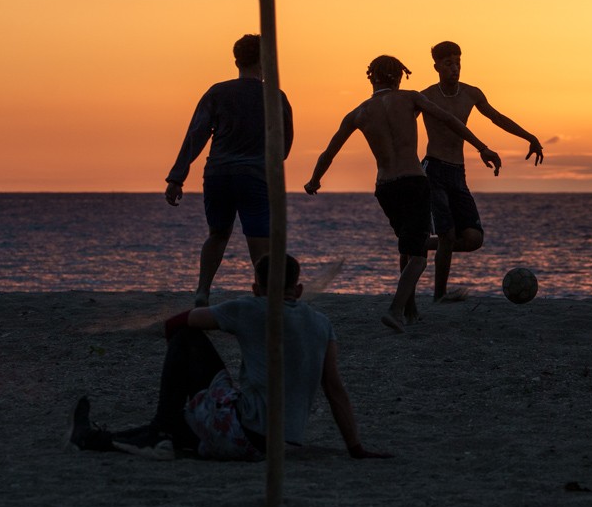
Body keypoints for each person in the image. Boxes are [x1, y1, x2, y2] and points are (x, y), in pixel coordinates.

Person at [68, 254, 389, 462]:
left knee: (186, 338)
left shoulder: (250, 308)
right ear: (299, 289)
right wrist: (355, 448)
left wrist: (185, 374)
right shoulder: (323, 324)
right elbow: (335, 390)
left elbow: (176, 323)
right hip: (281, 443)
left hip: (245, 433)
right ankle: (114, 437)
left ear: (255, 287)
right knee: (184, 428)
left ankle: (154, 430)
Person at [304, 55, 501, 333]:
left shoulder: (358, 113)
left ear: (371, 78)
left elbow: (329, 152)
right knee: (418, 255)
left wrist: (314, 180)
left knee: (406, 244)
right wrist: (482, 147)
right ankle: (395, 310)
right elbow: (449, 120)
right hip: (413, 182)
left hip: (385, 187)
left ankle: (410, 310)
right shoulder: (410, 98)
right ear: (399, 77)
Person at [164, 33, 294, 307]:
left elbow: (195, 135)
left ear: (236, 60)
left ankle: (202, 291)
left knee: (218, 234)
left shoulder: (217, 92)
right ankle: (266, 296)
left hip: (218, 175)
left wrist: (177, 177)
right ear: (265, 60)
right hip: (254, 176)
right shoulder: (275, 96)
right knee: (258, 239)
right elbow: (284, 147)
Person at [418, 41, 543, 301]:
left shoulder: (471, 94)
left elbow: (497, 117)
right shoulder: (426, 96)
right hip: (433, 170)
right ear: (437, 67)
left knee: (473, 239)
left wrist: (529, 136)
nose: (455, 68)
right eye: (449, 63)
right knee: (448, 234)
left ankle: (419, 245)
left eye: (458, 62)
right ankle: (439, 295)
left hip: (457, 172)